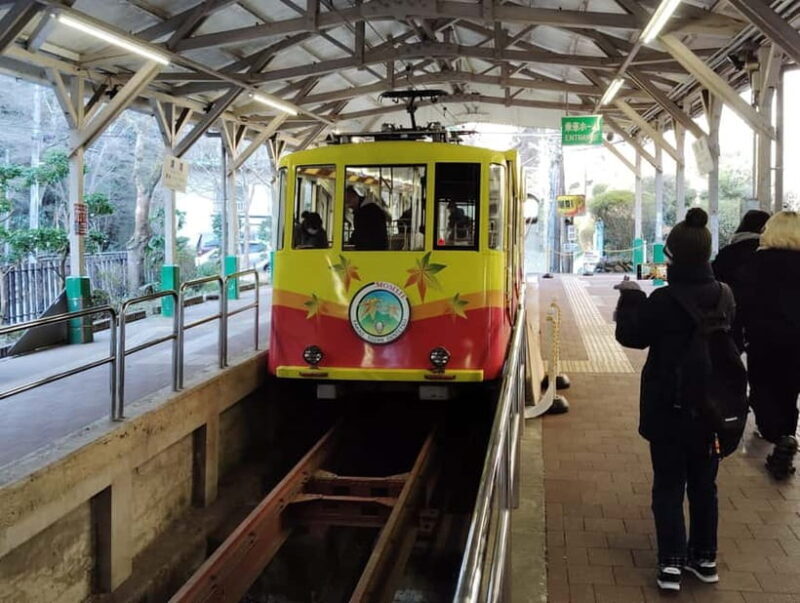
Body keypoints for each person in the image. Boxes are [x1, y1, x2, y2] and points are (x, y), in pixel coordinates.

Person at [614, 208, 733, 592]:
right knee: (704, 485)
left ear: (672, 254)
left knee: (668, 484)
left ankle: (670, 565)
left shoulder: (663, 300)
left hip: (668, 407)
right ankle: (705, 558)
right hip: (712, 408)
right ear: (707, 252)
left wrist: (631, 299)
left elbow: (632, 338)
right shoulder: (725, 295)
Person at [738, 211, 800, 479]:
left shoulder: (756, 262)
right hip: (797, 339)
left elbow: (742, 300)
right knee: (790, 389)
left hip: (763, 336)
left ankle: (776, 435)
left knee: (763, 385)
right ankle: (787, 435)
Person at [712, 209, 770, 350]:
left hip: (731, 313)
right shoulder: (768, 254)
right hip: (764, 315)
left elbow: (715, 280)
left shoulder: (727, 252)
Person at [345, 185, 388, 250]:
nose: (348, 206)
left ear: (354, 196)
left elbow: (361, 233)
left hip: (370, 250)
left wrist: (351, 244)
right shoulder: (372, 209)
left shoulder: (366, 212)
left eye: (348, 202)